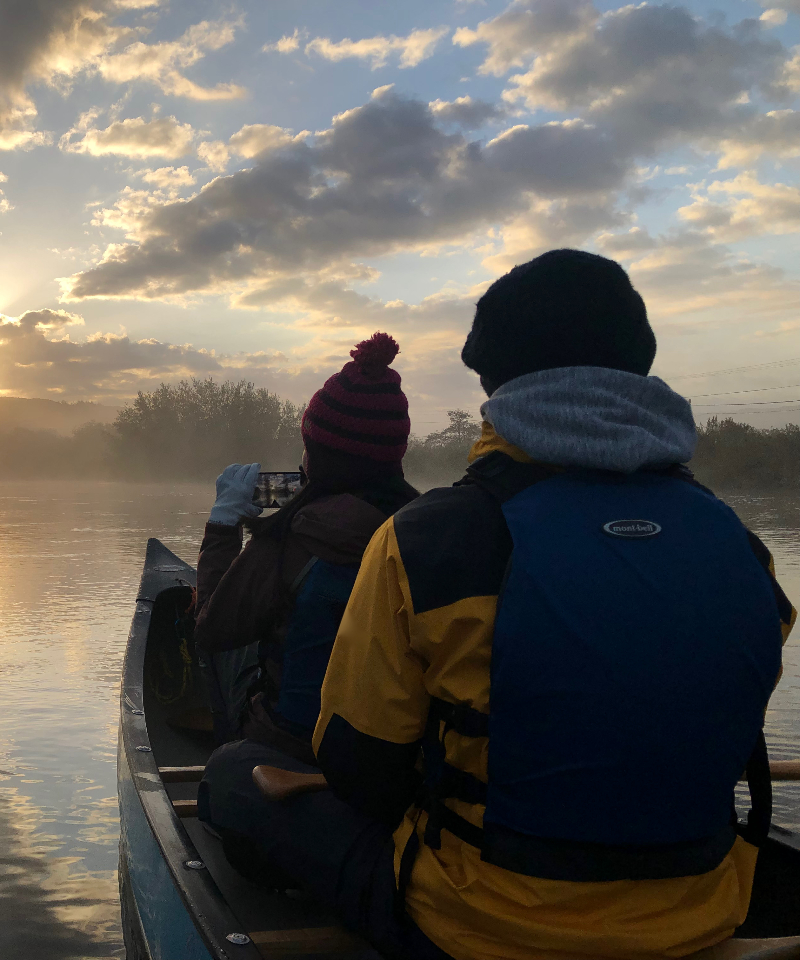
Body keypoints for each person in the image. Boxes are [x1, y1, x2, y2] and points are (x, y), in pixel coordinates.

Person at [199, 249, 797, 960]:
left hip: (478, 927)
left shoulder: (428, 543)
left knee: (233, 775)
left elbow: (360, 771)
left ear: (490, 383)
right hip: (701, 913)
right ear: (641, 367)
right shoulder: (742, 547)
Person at [193, 333, 418, 761]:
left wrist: (223, 526)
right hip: (390, 753)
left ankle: (225, 749)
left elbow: (212, 629)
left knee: (216, 631)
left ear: (315, 452)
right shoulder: (422, 526)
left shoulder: (293, 535)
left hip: (291, 747)